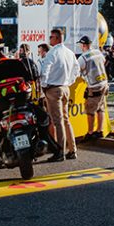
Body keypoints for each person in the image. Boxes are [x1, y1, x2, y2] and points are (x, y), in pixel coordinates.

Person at [40, 28, 79, 161]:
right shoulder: (69, 53)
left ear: (56, 38)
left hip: (53, 89)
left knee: (58, 122)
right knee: (66, 120)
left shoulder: (52, 53)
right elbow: (77, 69)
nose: (49, 39)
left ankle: (60, 152)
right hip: (65, 88)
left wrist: (44, 86)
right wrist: (70, 81)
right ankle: (72, 149)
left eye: (51, 37)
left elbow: (45, 70)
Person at [77, 36, 109, 140]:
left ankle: (90, 132)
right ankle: (99, 130)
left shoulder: (83, 58)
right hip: (104, 83)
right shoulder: (98, 52)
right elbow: (103, 62)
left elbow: (77, 71)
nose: (80, 46)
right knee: (100, 108)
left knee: (90, 111)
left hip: (94, 86)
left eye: (80, 45)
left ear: (84, 45)